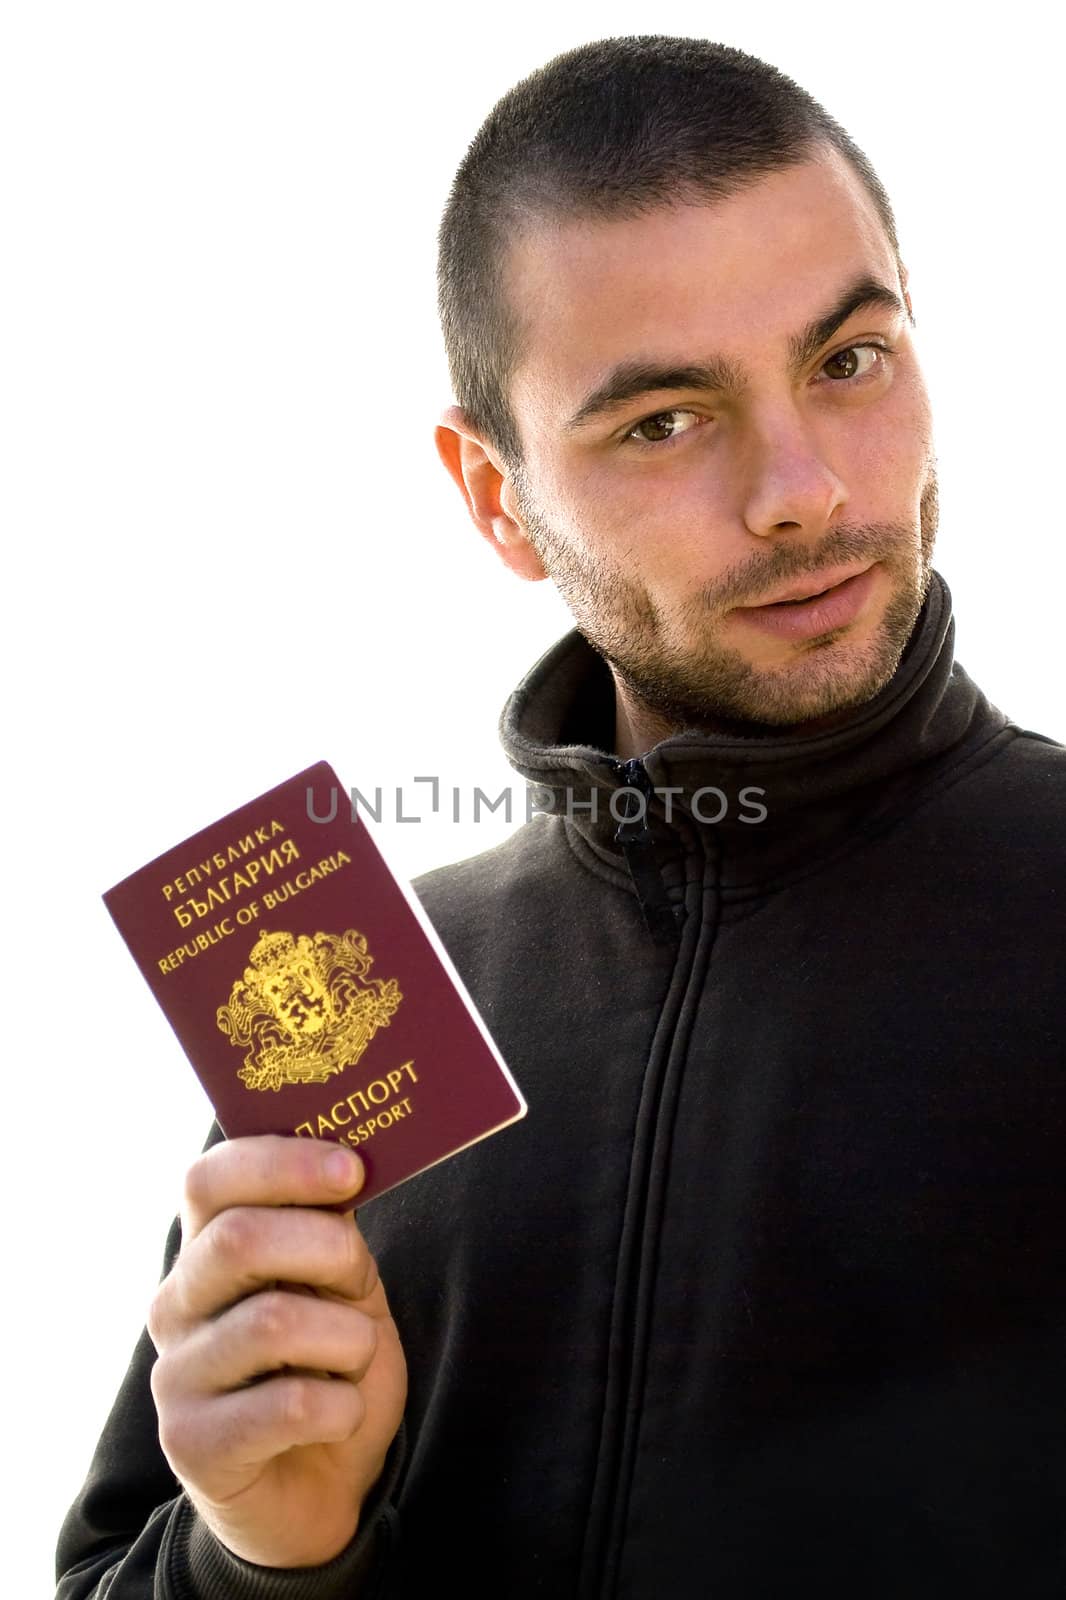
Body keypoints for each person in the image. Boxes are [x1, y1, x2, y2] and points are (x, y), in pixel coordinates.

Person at [57, 34, 1066, 1600]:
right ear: (493, 496)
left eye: (847, 360)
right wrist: (267, 1559)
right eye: (662, 421)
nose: (800, 488)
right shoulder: (363, 988)